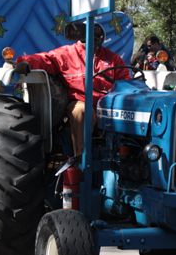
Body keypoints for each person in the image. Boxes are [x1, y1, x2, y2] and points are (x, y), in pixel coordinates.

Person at [15, 23, 130, 156]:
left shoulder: (113, 59)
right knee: (82, 111)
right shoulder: (66, 54)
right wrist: (25, 61)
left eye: (98, 36)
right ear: (81, 36)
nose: (94, 38)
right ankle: (81, 160)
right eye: (91, 35)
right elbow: (44, 59)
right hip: (79, 102)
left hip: (107, 105)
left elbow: (125, 82)